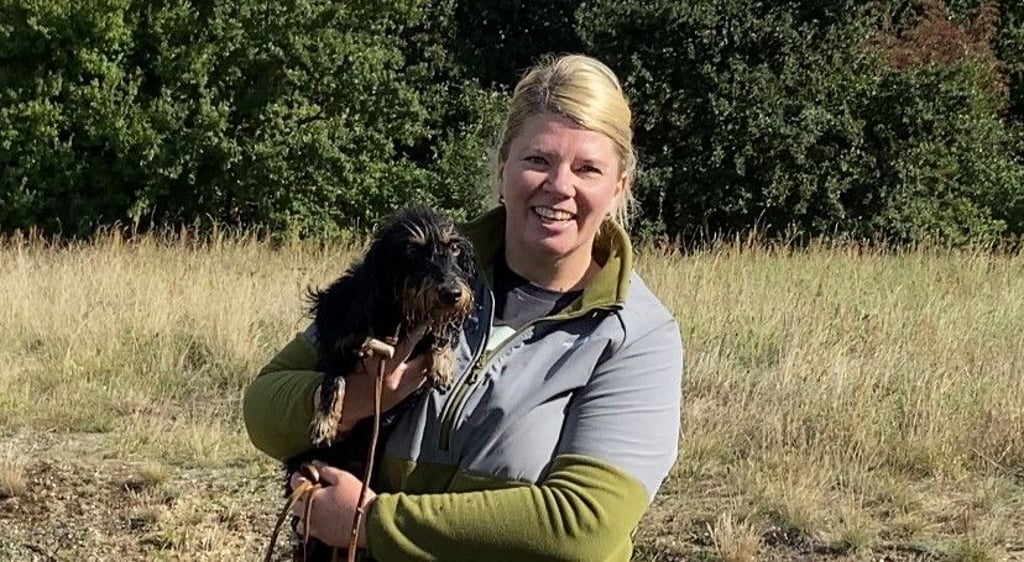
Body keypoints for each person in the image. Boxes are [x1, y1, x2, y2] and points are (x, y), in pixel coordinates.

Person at [243, 53, 684, 562]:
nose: (559, 186)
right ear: (503, 169)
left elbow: (582, 528)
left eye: (587, 168)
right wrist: (362, 397)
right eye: (537, 160)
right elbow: (262, 410)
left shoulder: (636, 334)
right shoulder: (415, 271)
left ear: (618, 188)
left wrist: (372, 523)